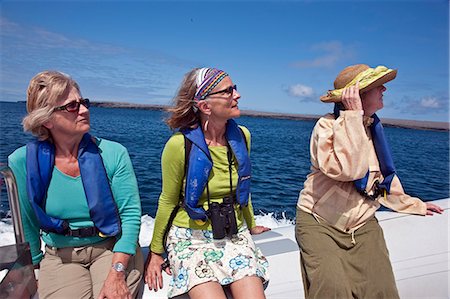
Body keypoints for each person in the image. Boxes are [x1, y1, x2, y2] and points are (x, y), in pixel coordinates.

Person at [295, 64, 443, 299]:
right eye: (377, 86)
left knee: (382, 292)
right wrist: (352, 116)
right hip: (320, 223)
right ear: (358, 95)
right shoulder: (326, 127)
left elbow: (380, 182)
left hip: (362, 225)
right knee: (332, 291)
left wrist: (416, 205)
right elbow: (348, 170)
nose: (384, 89)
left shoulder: (371, 128)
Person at [8, 71, 144, 299]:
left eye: (84, 103)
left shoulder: (113, 153)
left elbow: (130, 215)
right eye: (72, 106)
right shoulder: (22, 162)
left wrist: (117, 271)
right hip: (61, 256)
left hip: (111, 249)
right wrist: (35, 267)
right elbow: (28, 221)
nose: (84, 110)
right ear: (47, 119)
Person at [145, 67, 270, 299]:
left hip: (234, 233)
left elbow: (244, 190)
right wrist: (155, 252)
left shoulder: (242, 136)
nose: (237, 95)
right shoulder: (179, 145)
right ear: (205, 106)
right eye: (228, 91)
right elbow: (168, 200)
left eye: (235, 88)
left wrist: (251, 225)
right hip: (191, 237)